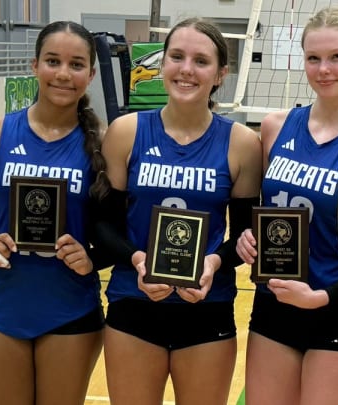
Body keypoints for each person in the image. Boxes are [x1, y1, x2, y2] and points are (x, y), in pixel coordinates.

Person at [235, 7, 338, 405]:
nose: (323, 69)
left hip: (337, 310)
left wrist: (323, 298)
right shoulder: (276, 127)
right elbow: (257, 215)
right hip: (274, 303)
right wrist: (245, 238)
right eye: (313, 58)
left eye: (336, 57)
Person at [91, 18, 262, 405]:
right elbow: (102, 225)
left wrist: (215, 263)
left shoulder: (242, 143)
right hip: (133, 304)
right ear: (162, 63)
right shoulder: (126, 131)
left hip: (207, 307)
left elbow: (246, 239)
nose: (186, 69)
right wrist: (137, 260)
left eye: (201, 61)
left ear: (220, 74)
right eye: (177, 57)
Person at [0, 21, 106, 405]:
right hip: (3, 306)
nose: (63, 74)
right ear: (35, 65)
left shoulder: (103, 145)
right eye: (53, 61)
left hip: (70, 309)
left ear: (91, 73)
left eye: (76, 64)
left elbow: (115, 230)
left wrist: (93, 258)